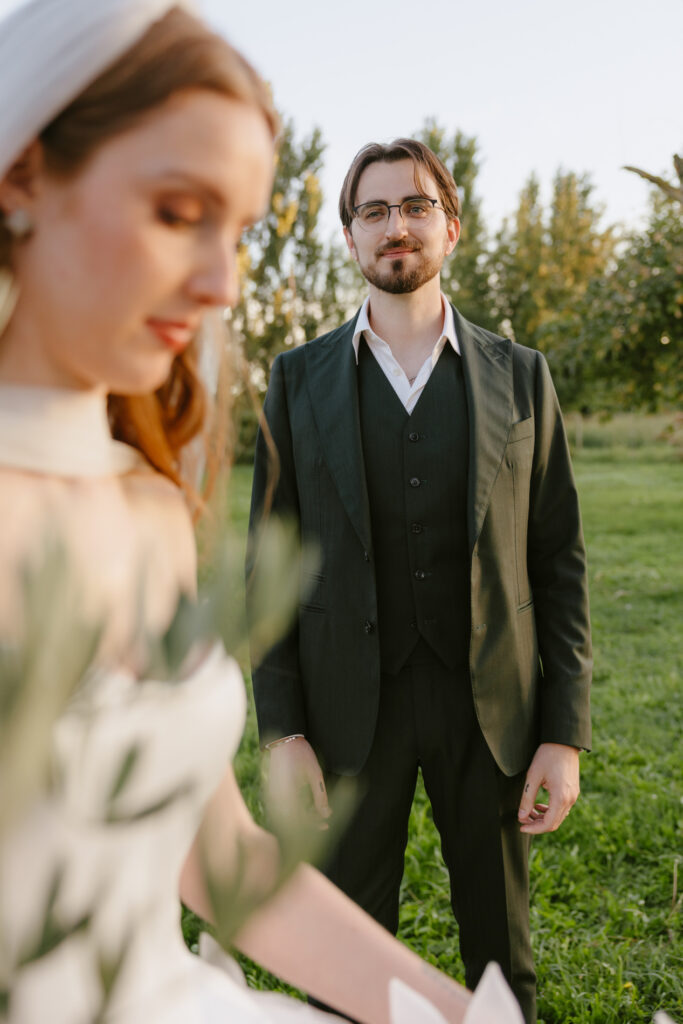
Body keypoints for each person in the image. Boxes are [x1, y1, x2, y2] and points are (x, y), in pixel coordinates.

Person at [0, 4, 524, 1023]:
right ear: (23, 176)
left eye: (238, 233)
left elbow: (219, 854)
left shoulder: (148, 507)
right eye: (175, 211)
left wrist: (461, 1015)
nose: (222, 284)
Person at [248, 139, 593, 1024]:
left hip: (491, 708)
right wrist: (282, 731)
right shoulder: (295, 379)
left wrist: (563, 734)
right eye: (373, 211)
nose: (394, 225)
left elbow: (557, 559)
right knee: (343, 963)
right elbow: (269, 563)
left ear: (451, 227)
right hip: (345, 708)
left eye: (415, 206)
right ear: (350, 237)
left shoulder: (521, 375)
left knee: (502, 959)